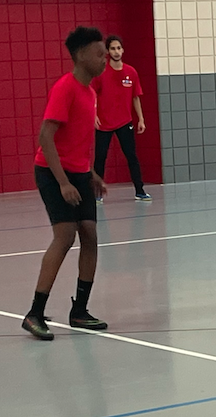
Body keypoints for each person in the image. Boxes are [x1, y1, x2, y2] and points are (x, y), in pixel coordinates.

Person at [22, 26, 113, 340]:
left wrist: (90, 175)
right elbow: (45, 138)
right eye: (99, 54)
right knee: (65, 235)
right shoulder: (66, 88)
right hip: (51, 172)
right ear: (80, 55)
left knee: (90, 234)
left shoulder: (89, 91)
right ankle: (35, 313)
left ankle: (80, 311)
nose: (105, 59)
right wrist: (63, 183)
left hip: (78, 174)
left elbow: (77, 141)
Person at [92, 35, 152, 201]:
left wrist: (141, 119)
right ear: (107, 51)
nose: (116, 51)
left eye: (119, 48)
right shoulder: (101, 72)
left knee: (131, 156)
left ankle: (139, 190)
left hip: (125, 122)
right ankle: (96, 194)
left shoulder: (131, 72)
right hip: (104, 123)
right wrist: (94, 113)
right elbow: (92, 94)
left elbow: (135, 97)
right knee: (100, 157)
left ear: (123, 50)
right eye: (113, 48)